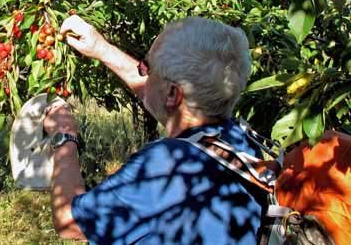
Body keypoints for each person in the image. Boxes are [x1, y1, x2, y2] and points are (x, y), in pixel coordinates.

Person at [43, 15, 262, 244]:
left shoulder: (164, 165)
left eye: (147, 67)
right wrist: (101, 49)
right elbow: (162, 97)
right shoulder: (238, 139)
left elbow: (69, 222)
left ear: (172, 94)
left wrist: (64, 136)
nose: (141, 71)